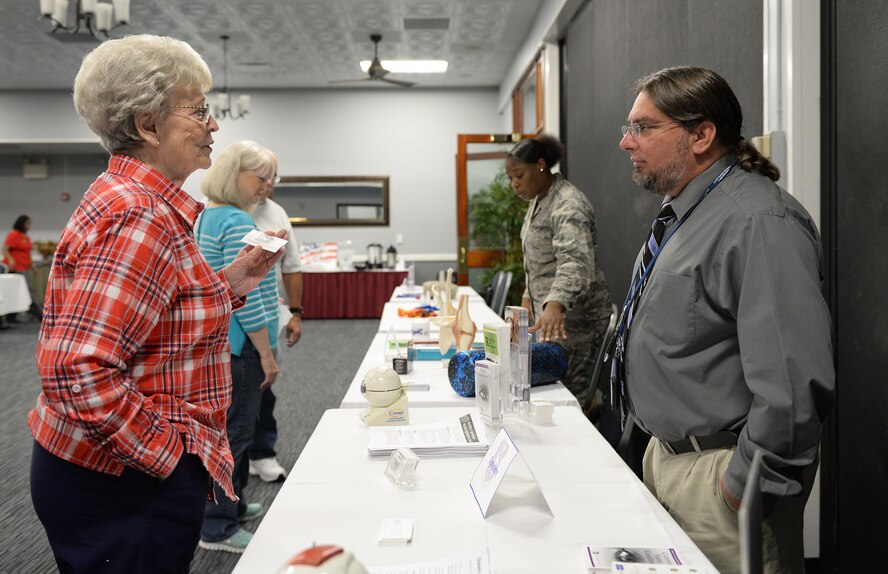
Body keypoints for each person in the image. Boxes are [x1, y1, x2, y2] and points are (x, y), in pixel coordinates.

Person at [28, 35, 285, 574]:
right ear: (148, 125)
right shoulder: (138, 214)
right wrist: (170, 463)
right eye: (199, 111)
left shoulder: (143, 203)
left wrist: (233, 280)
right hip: (122, 485)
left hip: (108, 476)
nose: (214, 125)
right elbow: (77, 371)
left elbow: (162, 326)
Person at [614, 65, 835, 573]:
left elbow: (794, 382)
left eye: (643, 128)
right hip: (667, 458)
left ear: (701, 135)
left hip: (719, 478)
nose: (627, 142)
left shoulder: (757, 221)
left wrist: (741, 486)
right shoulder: (688, 212)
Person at [196, 140, 281, 553]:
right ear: (235, 174)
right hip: (241, 344)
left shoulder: (208, 216)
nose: (266, 184)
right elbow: (249, 298)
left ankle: (233, 504)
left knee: (233, 430)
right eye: (260, 175)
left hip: (220, 343)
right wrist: (267, 353)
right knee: (236, 433)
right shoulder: (233, 220)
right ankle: (218, 527)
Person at [505, 134, 612, 412]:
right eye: (510, 178)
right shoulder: (539, 201)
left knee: (567, 404)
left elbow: (575, 262)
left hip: (576, 322)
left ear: (541, 165)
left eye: (519, 175)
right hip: (550, 321)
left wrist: (555, 304)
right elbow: (538, 264)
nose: (514, 184)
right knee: (546, 399)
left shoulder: (567, 203)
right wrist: (527, 304)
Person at [248, 148, 305, 483]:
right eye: (261, 176)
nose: (267, 184)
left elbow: (292, 267)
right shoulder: (218, 212)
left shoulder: (276, 213)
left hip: (267, 315)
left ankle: (261, 453)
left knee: (264, 387)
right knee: (235, 396)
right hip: (227, 322)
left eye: (273, 178)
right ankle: (236, 463)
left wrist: (295, 314)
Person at [2, 214, 42, 323]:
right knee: (27, 289)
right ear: (21, 224)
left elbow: (27, 254)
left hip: (25, 266)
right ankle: (37, 313)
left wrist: (33, 267)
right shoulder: (14, 235)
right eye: (27, 223)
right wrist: (10, 259)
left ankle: (13, 317)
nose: (29, 226)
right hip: (16, 267)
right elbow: (5, 249)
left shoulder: (25, 237)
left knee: (22, 290)